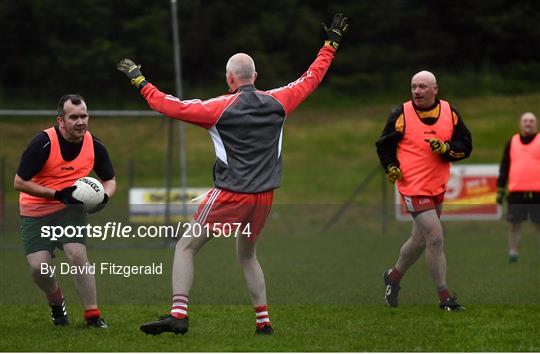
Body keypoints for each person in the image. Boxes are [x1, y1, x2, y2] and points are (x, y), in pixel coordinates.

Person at [117, 13, 348, 335]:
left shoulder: (217, 108)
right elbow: (312, 77)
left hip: (231, 194)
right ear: (256, 75)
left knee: (185, 247)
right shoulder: (279, 102)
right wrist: (330, 44)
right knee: (247, 255)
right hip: (265, 197)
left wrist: (139, 81)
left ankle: (178, 315)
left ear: (229, 79)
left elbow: (170, 105)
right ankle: (263, 322)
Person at [14, 94, 116, 327]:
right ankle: (56, 302)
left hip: (70, 209)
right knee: (39, 268)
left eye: (84, 116)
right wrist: (58, 194)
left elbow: (110, 180)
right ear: (61, 120)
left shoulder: (95, 144)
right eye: (73, 117)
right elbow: (19, 182)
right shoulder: (42, 143)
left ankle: (93, 316)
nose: (80, 122)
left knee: (77, 255)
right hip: (35, 209)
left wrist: (104, 197)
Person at [376, 71, 472, 311]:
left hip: (436, 187)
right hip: (412, 187)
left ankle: (393, 277)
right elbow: (384, 144)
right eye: (413, 87)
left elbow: (466, 145)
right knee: (435, 237)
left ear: (435, 89)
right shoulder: (401, 114)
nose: (417, 91)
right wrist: (391, 166)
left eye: (422, 87)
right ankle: (445, 297)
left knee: (419, 241)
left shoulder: (450, 113)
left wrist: (446, 149)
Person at [497, 112, 540, 262]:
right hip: (516, 192)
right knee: (514, 224)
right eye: (525, 120)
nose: (528, 123)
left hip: (537, 192)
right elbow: (504, 166)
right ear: (520, 123)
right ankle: (513, 254)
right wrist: (500, 189)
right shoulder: (512, 142)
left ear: (536, 123)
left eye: (531, 120)